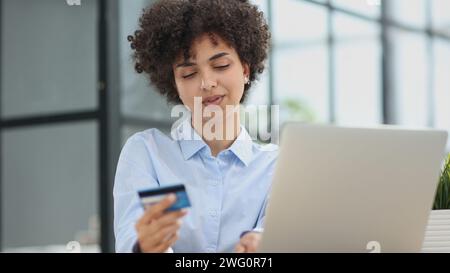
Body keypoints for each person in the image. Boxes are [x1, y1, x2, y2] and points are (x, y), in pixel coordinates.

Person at [114, 0, 277, 253]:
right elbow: (129, 239)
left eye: (220, 65)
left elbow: (275, 234)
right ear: (174, 85)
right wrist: (145, 246)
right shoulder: (147, 153)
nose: (207, 83)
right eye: (189, 74)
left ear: (245, 69)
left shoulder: (275, 166)